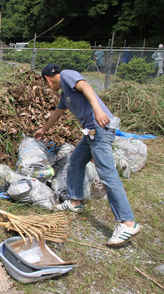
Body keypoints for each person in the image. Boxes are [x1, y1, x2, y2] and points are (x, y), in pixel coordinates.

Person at [34, 64, 141, 247]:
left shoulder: (67, 75)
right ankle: (75, 202)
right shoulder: (65, 95)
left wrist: (98, 110)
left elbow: (86, 87)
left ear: (47, 78)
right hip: (91, 132)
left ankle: (127, 223)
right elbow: (57, 114)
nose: (48, 88)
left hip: (100, 128)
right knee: (75, 161)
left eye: (46, 84)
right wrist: (44, 129)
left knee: (107, 174)